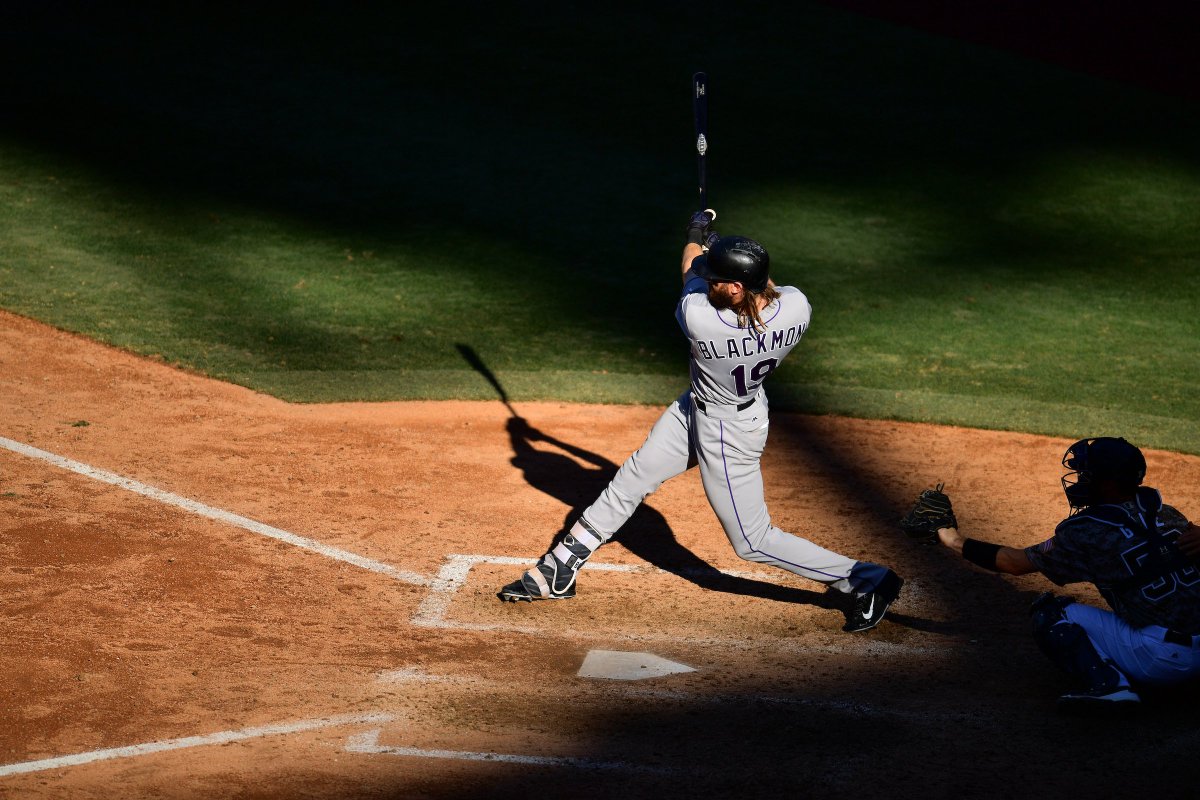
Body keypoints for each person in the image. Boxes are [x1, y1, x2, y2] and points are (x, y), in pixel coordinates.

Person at [497, 210, 904, 633]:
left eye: (717, 280)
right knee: (634, 476)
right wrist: (728, 252)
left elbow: (689, 265)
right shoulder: (798, 307)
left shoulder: (700, 320)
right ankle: (560, 567)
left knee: (752, 541)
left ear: (735, 287)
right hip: (706, 407)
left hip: (727, 433)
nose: (708, 283)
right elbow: (768, 286)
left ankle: (867, 579)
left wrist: (696, 235)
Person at [928, 436, 1200, 710]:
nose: (1080, 480)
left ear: (1107, 483)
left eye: (1087, 474)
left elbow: (1015, 562)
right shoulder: (1168, 514)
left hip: (1163, 661)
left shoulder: (1085, 532)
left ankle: (1110, 686)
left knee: (1052, 613)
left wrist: (952, 539)